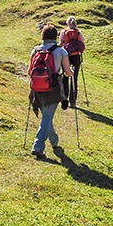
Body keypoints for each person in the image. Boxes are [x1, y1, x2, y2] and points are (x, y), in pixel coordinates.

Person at [29, 24, 72, 159]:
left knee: (46, 118)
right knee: (47, 118)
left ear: (43, 36)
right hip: (52, 89)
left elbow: (29, 71)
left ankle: (54, 141)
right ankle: (38, 147)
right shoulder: (61, 52)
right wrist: (72, 70)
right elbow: (68, 74)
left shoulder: (36, 50)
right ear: (55, 36)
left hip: (36, 89)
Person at [59, 16, 85, 108]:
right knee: (75, 78)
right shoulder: (78, 33)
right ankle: (73, 101)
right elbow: (82, 45)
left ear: (68, 23)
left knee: (65, 77)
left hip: (66, 57)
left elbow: (61, 44)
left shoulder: (64, 32)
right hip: (76, 57)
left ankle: (64, 99)